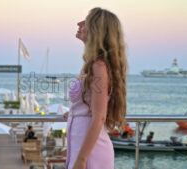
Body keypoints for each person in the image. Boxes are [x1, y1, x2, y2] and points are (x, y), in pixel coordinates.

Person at [63, 7, 127, 169]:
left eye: (86, 22)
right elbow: (90, 103)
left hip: (91, 154)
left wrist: (82, 159)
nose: (79, 24)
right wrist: (73, 113)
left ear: (96, 30)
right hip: (81, 148)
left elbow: (99, 117)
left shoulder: (98, 66)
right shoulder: (90, 64)